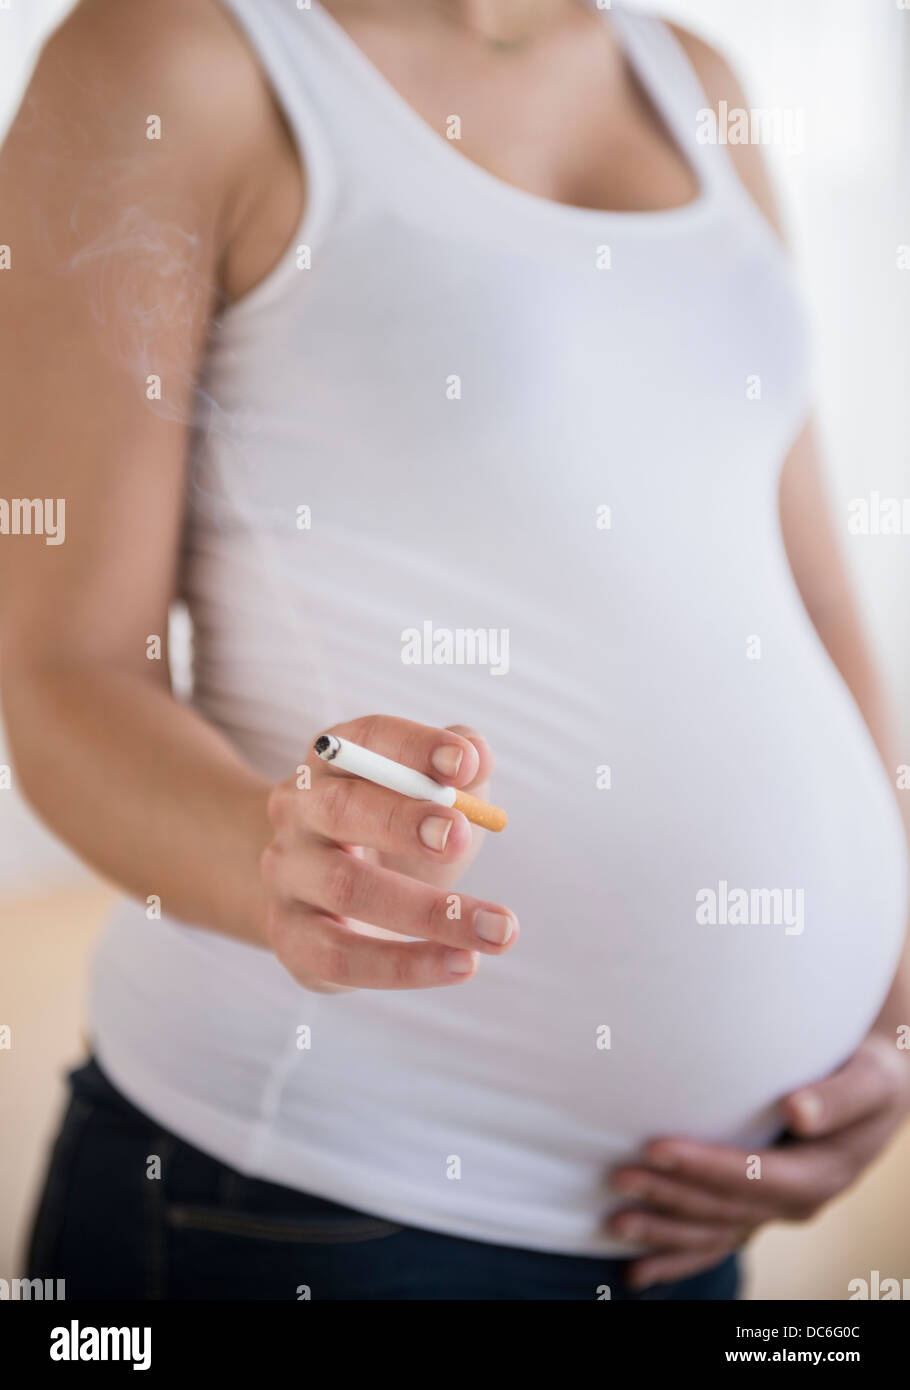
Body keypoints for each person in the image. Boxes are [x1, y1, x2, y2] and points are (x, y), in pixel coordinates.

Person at [1, 0, 908, 1301]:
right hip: (312, 1210)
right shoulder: (170, 56)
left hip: (686, 1229)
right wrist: (276, 856)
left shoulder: (691, 74)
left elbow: (810, 597)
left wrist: (883, 1023)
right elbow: (60, 670)